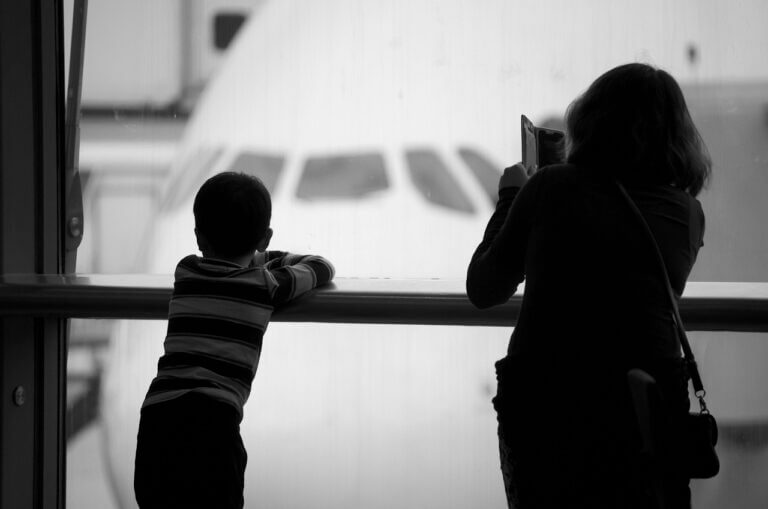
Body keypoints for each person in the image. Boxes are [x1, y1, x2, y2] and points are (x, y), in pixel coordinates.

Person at [466, 63, 711, 509]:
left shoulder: (549, 186)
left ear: (591, 121)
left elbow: (485, 287)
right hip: (648, 408)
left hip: (550, 404)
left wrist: (511, 197)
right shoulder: (689, 214)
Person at [134, 172, 335, 509]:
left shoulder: (186, 271)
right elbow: (320, 267)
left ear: (199, 236)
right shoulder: (266, 285)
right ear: (264, 239)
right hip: (214, 422)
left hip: (159, 416)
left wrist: (253, 252)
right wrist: (263, 254)